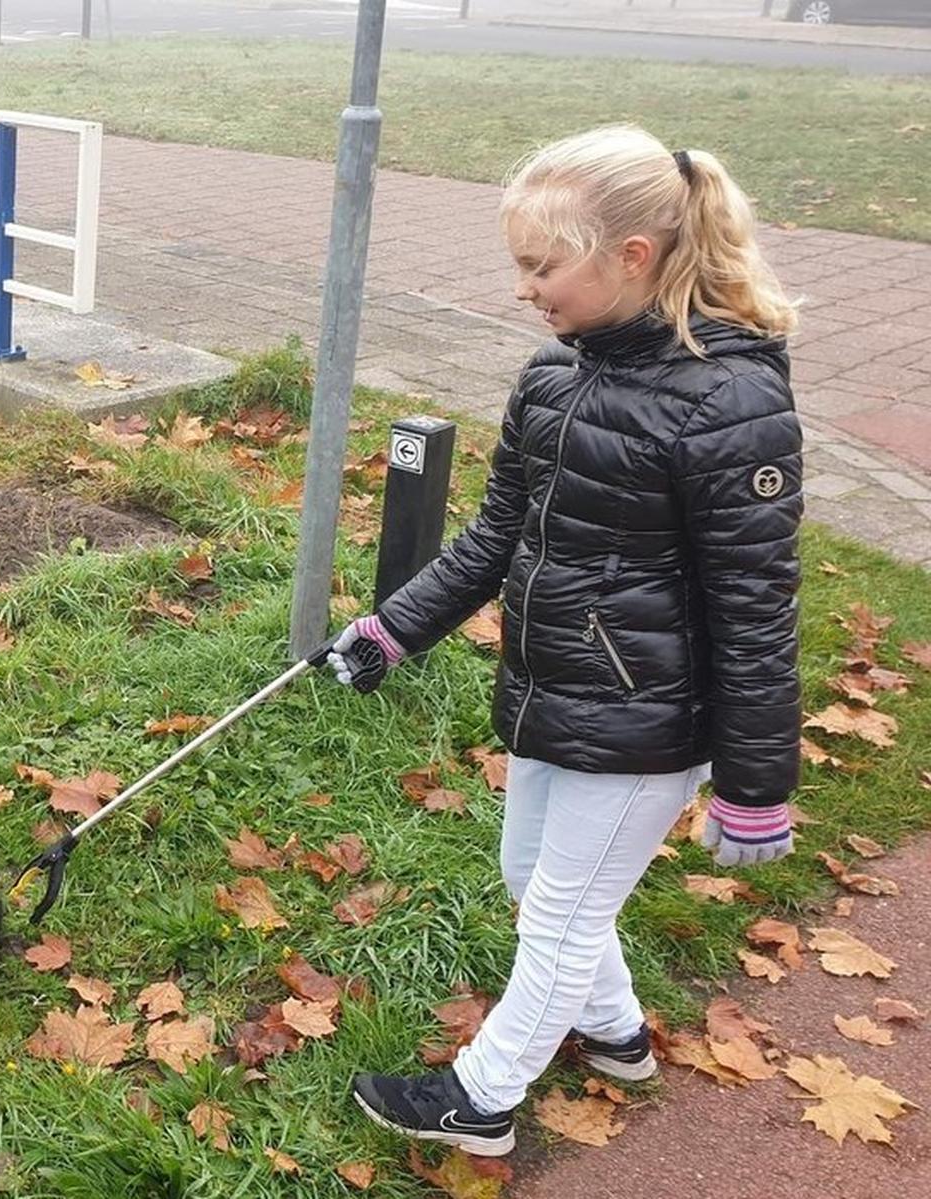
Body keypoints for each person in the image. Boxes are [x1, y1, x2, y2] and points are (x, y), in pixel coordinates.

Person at [330, 126, 802, 1156]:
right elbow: (498, 534)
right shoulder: (555, 377)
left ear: (632, 256)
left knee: (558, 916)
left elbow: (757, 606)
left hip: (651, 720)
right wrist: (391, 629)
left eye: (543, 266)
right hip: (553, 687)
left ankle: (481, 1097)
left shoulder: (732, 401)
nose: (525, 289)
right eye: (521, 266)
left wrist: (755, 783)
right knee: (531, 877)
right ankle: (618, 1032)